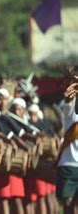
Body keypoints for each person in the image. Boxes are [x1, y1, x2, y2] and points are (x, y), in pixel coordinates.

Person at [56, 75, 78, 213]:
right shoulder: (70, 110)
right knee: (68, 204)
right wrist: (73, 81)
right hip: (68, 165)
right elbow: (68, 97)